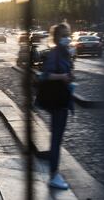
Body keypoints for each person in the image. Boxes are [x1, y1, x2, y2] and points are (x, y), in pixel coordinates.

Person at [41, 23, 74, 190]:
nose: (67, 38)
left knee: (57, 139)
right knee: (56, 139)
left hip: (63, 101)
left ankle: (54, 172)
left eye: (68, 34)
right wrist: (63, 76)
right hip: (58, 101)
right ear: (57, 38)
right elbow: (45, 75)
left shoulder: (65, 53)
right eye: (64, 35)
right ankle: (54, 175)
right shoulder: (55, 53)